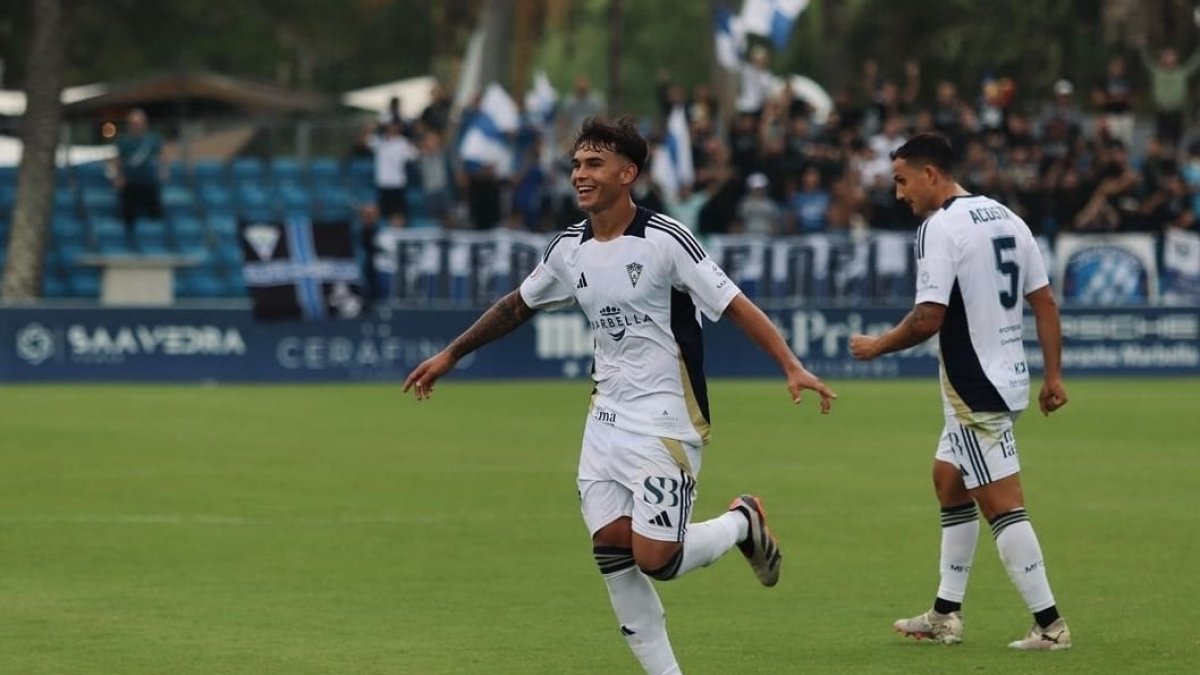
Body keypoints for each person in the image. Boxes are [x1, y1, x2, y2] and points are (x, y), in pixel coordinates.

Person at [404, 117, 836, 674]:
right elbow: (517, 305)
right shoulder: (569, 248)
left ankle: (741, 522)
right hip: (604, 420)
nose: (580, 175)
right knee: (612, 551)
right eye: (577, 164)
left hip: (666, 419)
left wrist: (790, 365)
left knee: (656, 558)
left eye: (594, 164)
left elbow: (733, 304)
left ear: (627, 174)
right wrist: (451, 354)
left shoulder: (666, 240)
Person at [848, 133, 1070, 651]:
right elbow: (1045, 303)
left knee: (1003, 504)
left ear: (930, 175)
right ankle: (945, 613)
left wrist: (878, 346)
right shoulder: (1005, 217)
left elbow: (929, 318)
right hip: (1008, 377)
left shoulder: (939, 227)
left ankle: (1050, 625)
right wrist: (1053, 377)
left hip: (975, 388)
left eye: (902, 181)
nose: (899, 194)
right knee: (949, 480)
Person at [109, 108, 165, 240]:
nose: (136, 126)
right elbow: (118, 160)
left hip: (149, 181)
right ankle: (128, 239)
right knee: (127, 214)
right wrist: (118, 176)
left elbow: (162, 156)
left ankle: (155, 239)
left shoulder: (153, 140)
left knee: (155, 213)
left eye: (139, 123)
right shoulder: (123, 141)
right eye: (133, 123)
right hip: (130, 182)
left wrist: (163, 170)